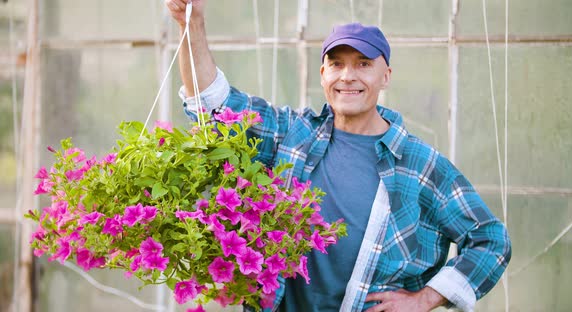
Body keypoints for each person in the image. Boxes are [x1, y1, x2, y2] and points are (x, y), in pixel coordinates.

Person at [165, 1, 512, 311]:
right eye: (336, 64)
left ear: (385, 76)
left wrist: (425, 298)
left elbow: (490, 239)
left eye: (363, 64)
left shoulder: (419, 164)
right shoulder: (294, 133)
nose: (348, 76)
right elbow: (214, 105)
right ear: (323, 74)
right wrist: (190, 25)